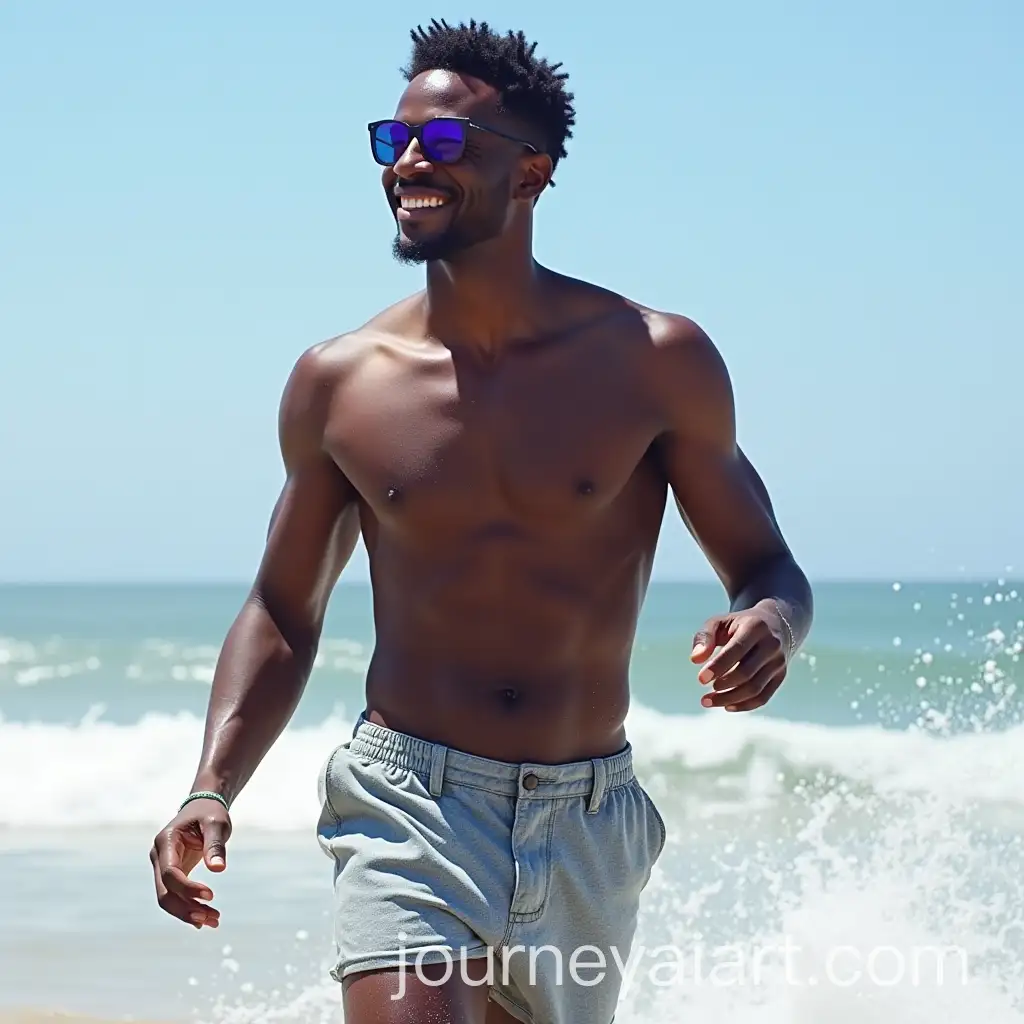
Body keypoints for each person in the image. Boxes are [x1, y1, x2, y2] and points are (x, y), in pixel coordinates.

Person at [149, 18, 813, 1024]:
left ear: (533, 172)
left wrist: (770, 627)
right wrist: (210, 785)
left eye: (447, 142)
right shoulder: (341, 384)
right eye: (395, 140)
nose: (411, 161)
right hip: (408, 798)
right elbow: (284, 607)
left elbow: (766, 563)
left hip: (588, 818)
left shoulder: (653, 360)